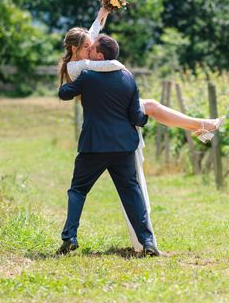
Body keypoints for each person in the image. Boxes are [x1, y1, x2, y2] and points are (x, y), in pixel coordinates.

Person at [57, 34, 159, 256]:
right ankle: (148, 242)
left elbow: (64, 94)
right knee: (132, 193)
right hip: (123, 146)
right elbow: (136, 118)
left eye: (91, 50)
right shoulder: (129, 78)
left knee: (78, 190)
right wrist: (146, 119)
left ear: (100, 56)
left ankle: (70, 237)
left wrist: (71, 74)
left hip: (94, 145)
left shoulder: (88, 76)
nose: (88, 53)